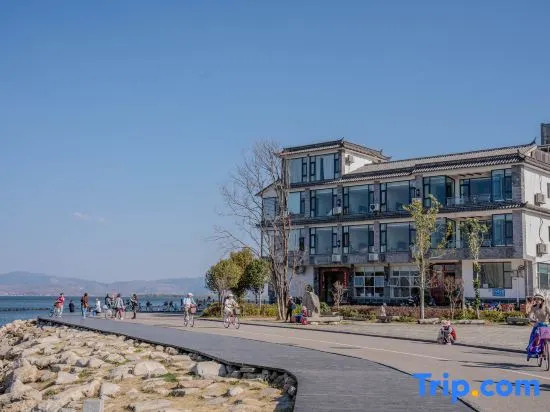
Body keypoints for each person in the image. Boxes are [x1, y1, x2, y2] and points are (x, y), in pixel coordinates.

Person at [526, 293, 550, 360]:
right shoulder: (533, 307)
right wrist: (531, 319)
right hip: (538, 324)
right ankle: (535, 349)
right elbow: (530, 315)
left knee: (548, 337)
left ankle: (546, 348)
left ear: (542, 300)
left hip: (546, 324)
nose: (537, 300)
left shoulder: (546, 307)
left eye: (539, 299)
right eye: (536, 299)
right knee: (536, 336)